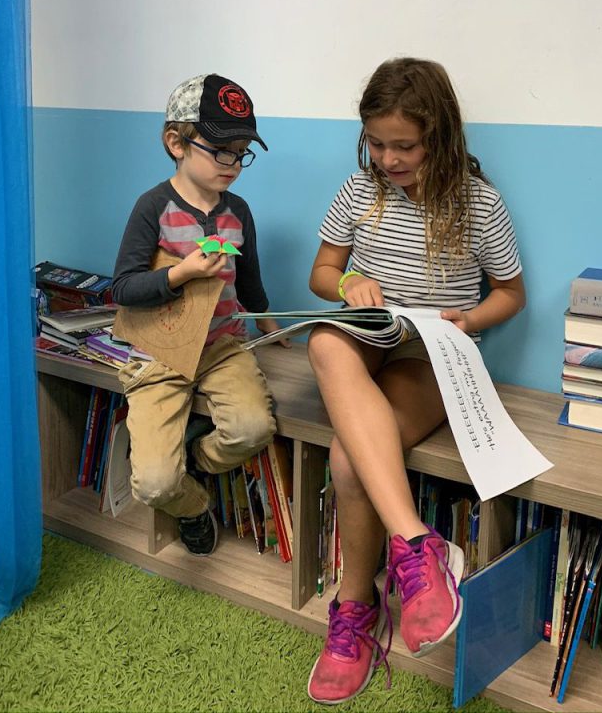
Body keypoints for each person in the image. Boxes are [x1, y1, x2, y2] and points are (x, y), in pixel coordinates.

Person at [305, 57, 526, 704]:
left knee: (351, 458)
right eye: (377, 143)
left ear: (441, 137)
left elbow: (511, 293)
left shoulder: (479, 205)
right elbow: (323, 271)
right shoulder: (358, 191)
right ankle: (416, 546)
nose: (388, 158)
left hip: (432, 356)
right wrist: (347, 284)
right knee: (323, 336)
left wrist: (470, 318)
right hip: (369, 339)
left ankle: (355, 610)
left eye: (404, 145)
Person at [112, 73, 285, 558]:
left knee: (253, 428)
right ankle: (192, 506)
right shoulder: (152, 208)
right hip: (160, 352)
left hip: (223, 348)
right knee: (153, 483)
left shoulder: (239, 211)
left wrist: (269, 322)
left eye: (241, 152)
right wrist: (180, 274)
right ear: (176, 143)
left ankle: (195, 457)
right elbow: (123, 287)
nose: (233, 164)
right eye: (220, 150)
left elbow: (249, 280)